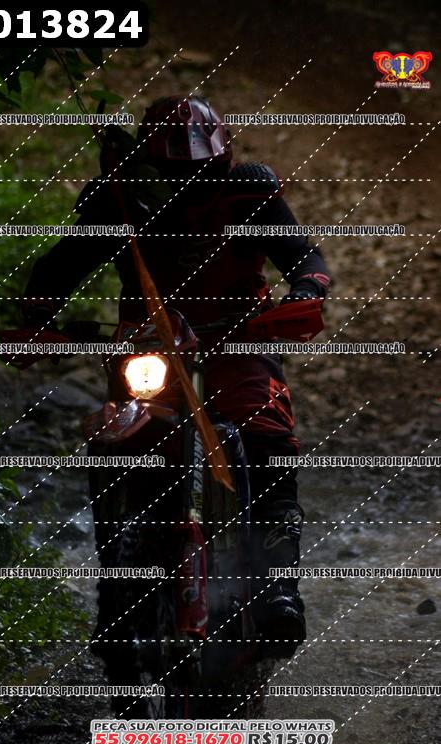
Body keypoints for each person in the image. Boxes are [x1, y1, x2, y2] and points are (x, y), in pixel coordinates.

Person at [22, 95, 331, 658]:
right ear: (149, 162)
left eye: (200, 173)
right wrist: (36, 319)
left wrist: (305, 293)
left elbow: (304, 258)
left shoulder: (249, 195)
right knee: (116, 444)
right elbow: (61, 265)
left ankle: (279, 590)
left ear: (221, 161)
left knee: (266, 436)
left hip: (239, 337)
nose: (189, 185)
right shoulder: (120, 200)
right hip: (150, 346)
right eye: (174, 173)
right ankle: (116, 597)